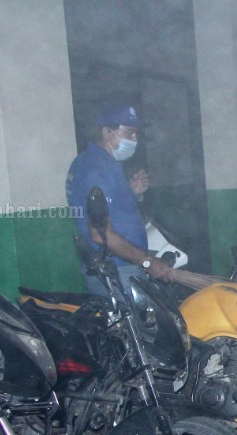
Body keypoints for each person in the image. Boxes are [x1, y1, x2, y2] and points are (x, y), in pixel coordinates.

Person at [65, 104, 174, 295]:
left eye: (137, 134)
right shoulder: (97, 170)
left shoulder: (96, 162)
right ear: (107, 132)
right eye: (129, 133)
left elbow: (107, 207)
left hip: (120, 267)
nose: (135, 139)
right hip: (116, 271)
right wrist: (147, 261)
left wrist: (132, 191)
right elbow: (100, 234)